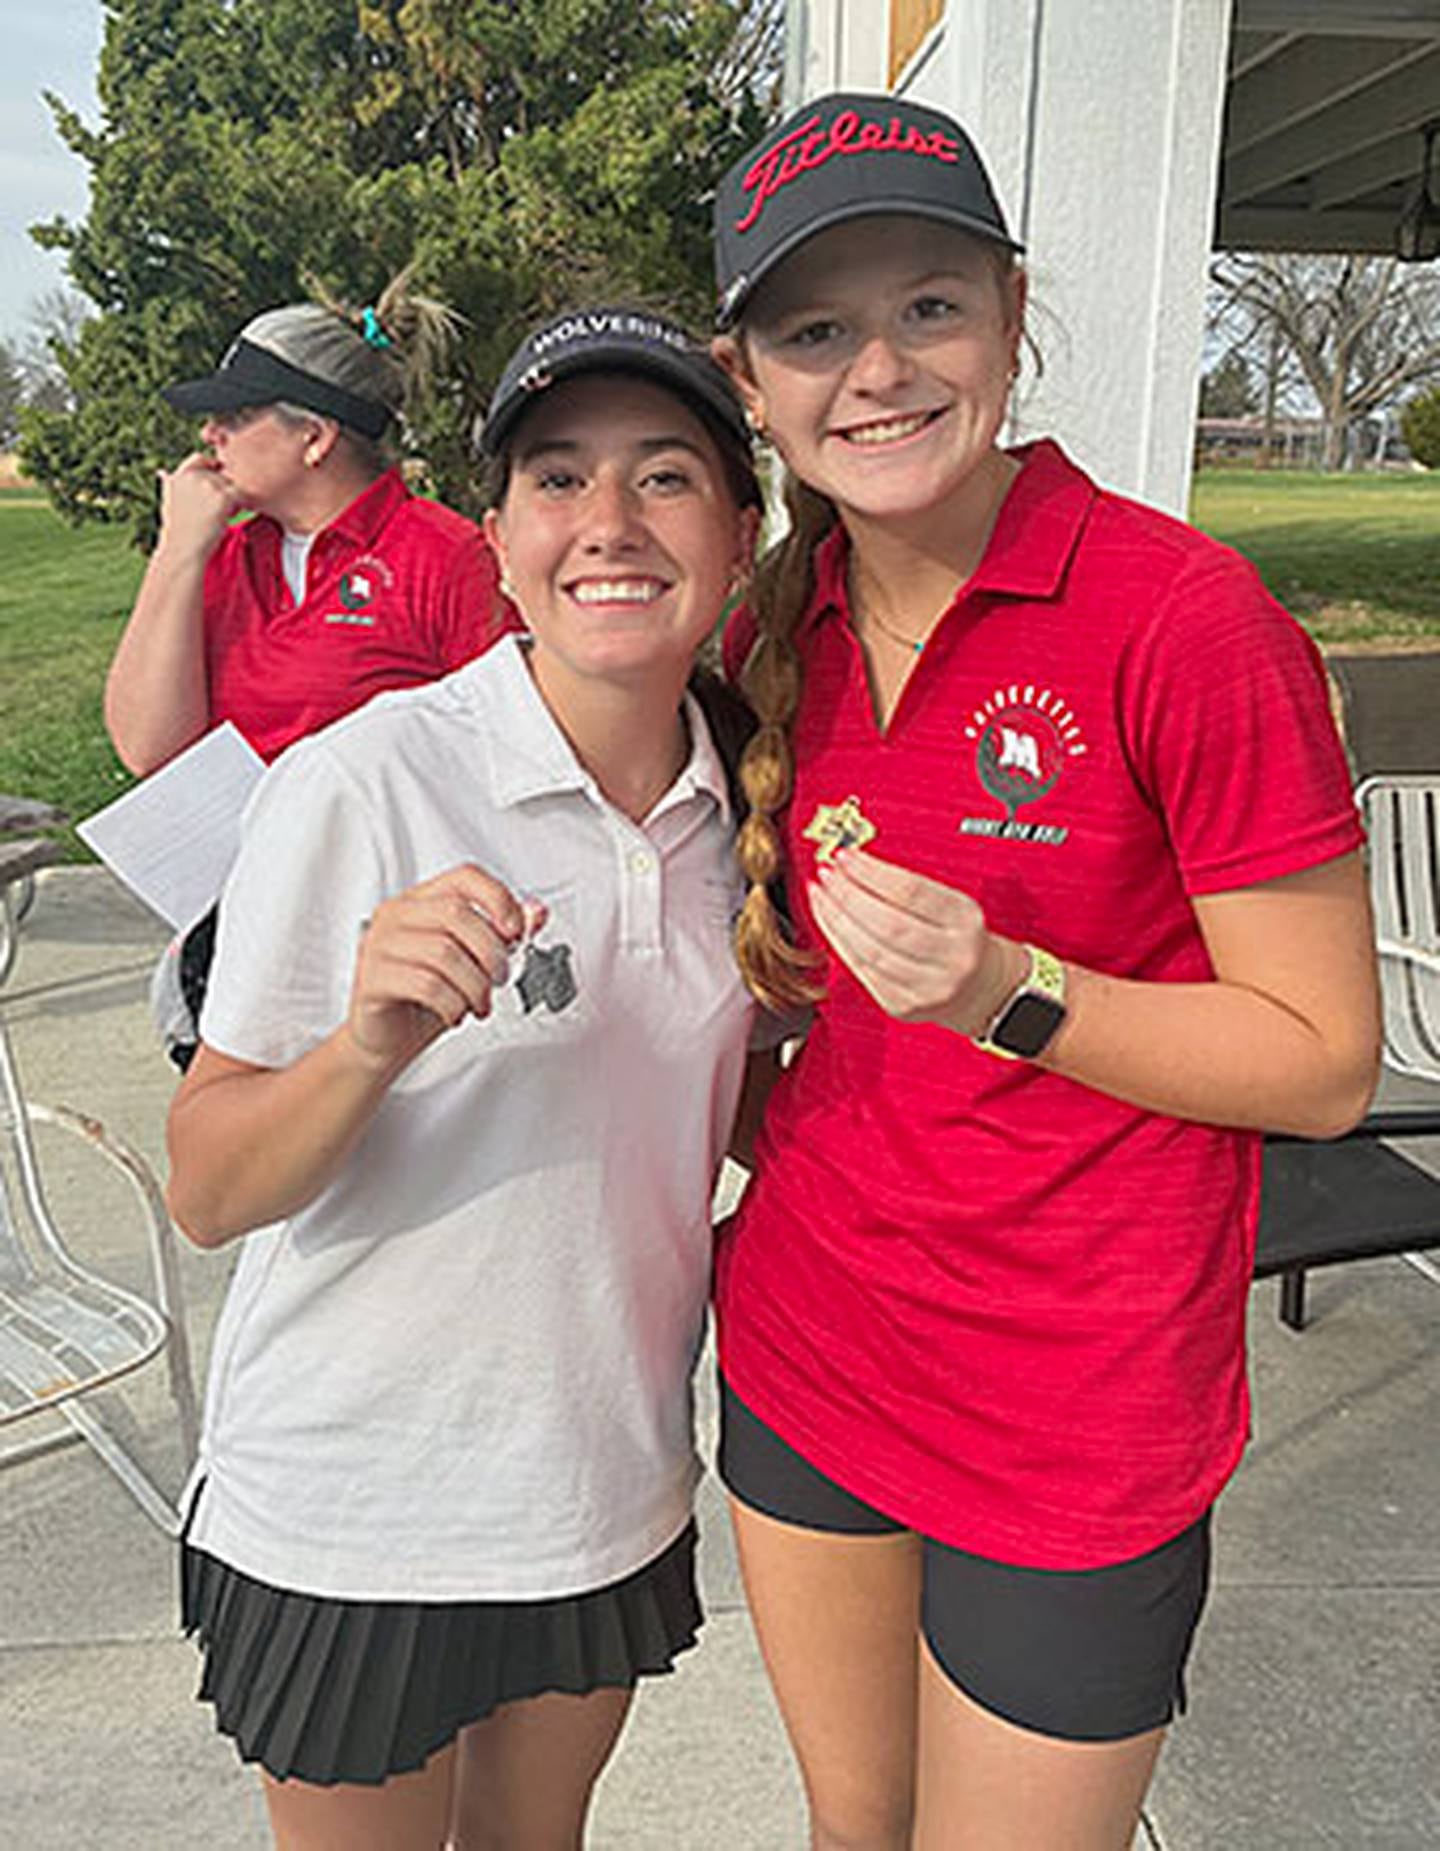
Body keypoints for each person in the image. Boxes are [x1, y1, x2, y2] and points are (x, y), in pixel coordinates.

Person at [706, 92, 1382, 1851]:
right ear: (753, 379)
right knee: (855, 1832)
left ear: (1014, 314)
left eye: (928, 304)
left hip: (1073, 1415)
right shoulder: (774, 625)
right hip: (806, 1346)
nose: (877, 369)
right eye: (815, 328)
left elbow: (1322, 1063)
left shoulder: (1184, 619)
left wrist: (1018, 983)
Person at [164, 307, 762, 1850]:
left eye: (667, 478)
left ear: (741, 536)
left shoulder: (748, 809)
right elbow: (212, 1181)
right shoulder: (367, 777)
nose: (610, 525)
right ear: (494, 539)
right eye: (558, 480)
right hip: (360, 1506)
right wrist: (368, 1037)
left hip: (601, 1486)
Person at [105, 279, 512, 776]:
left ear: (314, 437)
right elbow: (148, 750)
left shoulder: (446, 558)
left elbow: (511, 748)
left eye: (235, 415)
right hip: (243, 851)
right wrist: (177, 550)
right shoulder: (225, 554)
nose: (210, 435)